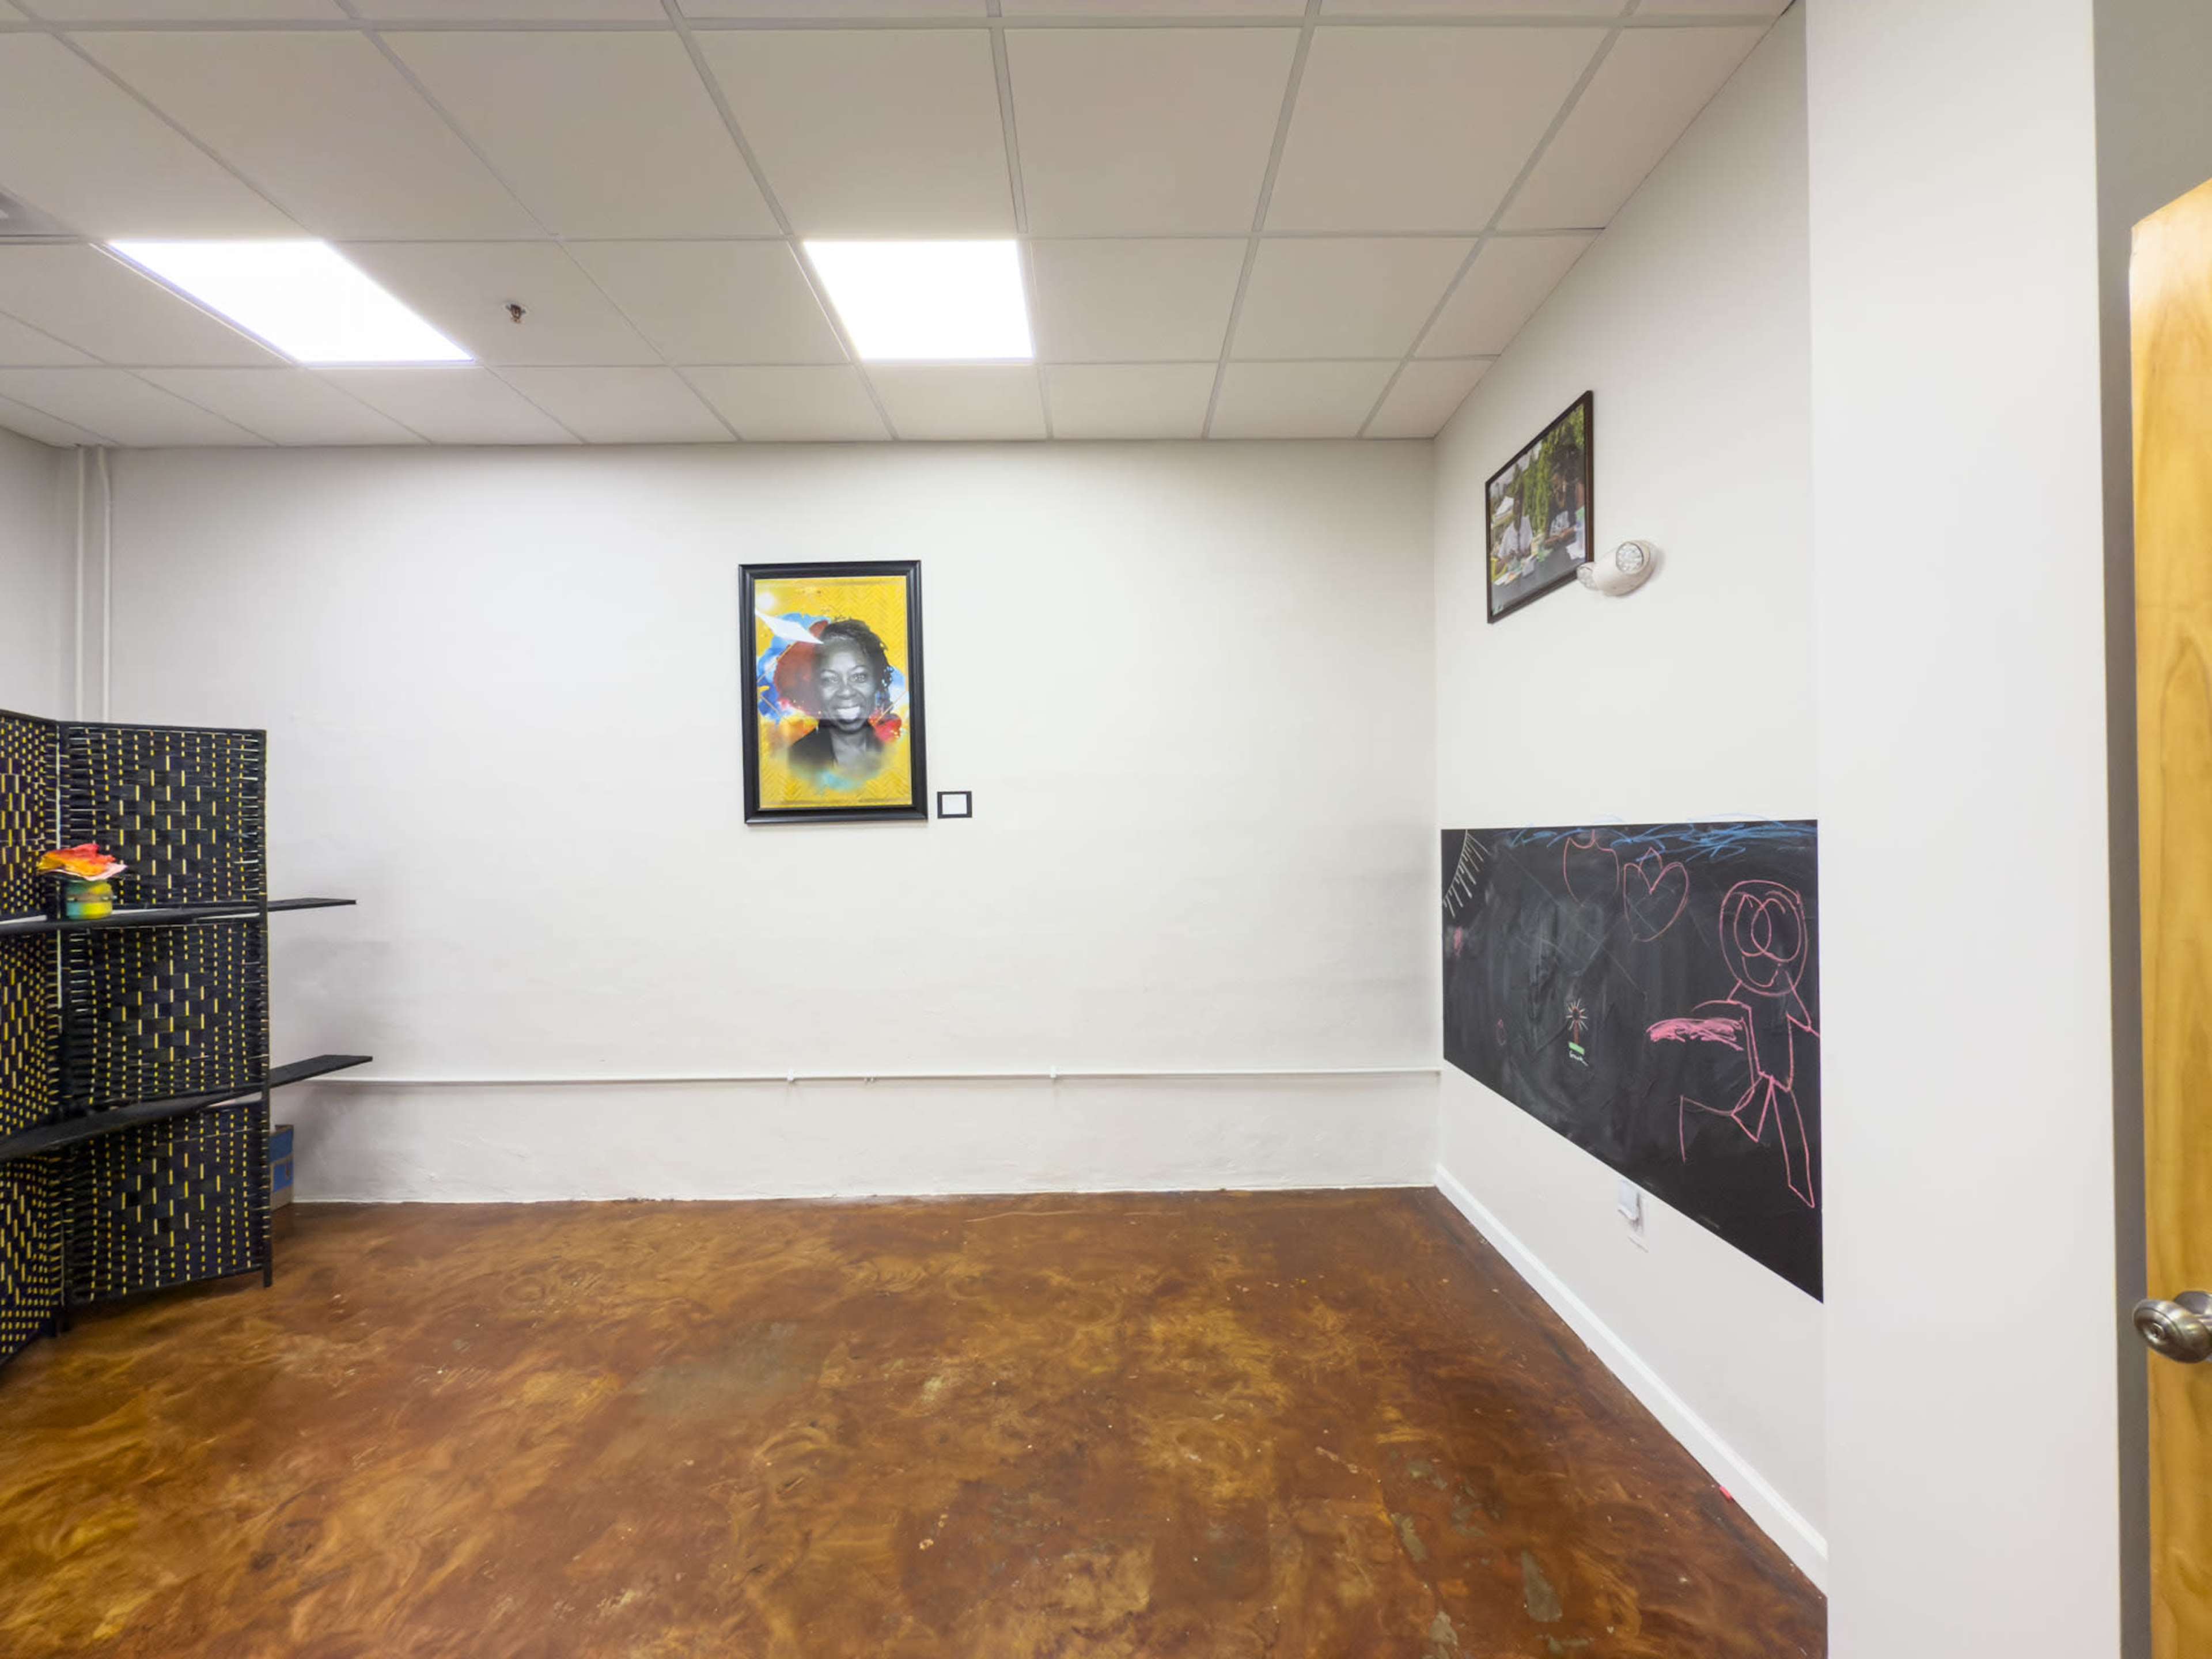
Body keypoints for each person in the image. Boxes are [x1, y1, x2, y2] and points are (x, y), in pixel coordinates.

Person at [787, 618, 895, 783]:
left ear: (876, 682)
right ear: (817, 688)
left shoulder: (895, 756)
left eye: (859, 677)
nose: (846, 691)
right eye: (830, 680)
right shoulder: (794, 760)